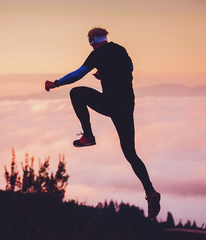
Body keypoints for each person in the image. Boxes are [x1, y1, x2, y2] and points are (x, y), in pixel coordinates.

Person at [45, 27, 160, 219]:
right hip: (126, 106)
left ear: (91, 40)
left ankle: (88, 136)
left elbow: (78, 75)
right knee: (130, 153)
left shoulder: (96, 54)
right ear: (105, 38)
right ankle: (150, 192)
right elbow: (129, 68)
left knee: (76, 93)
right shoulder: (121, 50)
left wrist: (56, 83)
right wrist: (104, 73)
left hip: (110, 103)